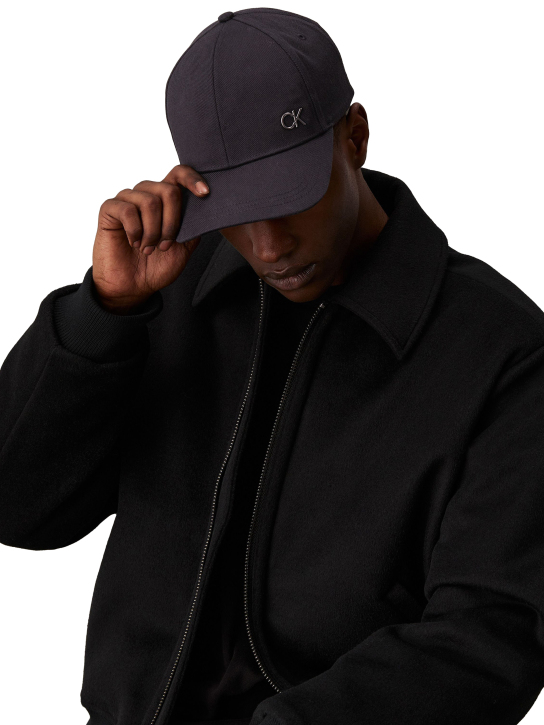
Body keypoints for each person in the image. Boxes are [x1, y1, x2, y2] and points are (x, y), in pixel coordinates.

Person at [1, 7, 544, 725]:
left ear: (355, 136)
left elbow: (490, 638)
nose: (268, 246)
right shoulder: (169, 294)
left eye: (290, 198)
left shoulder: (501, 351)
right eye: (234, 208)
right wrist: (102, 316)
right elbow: (20, 508)